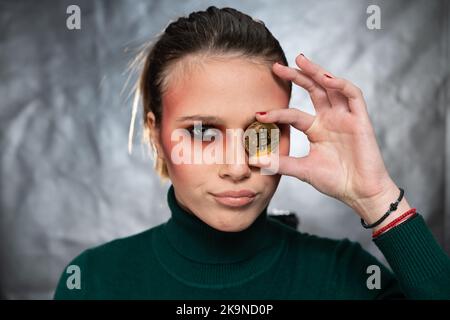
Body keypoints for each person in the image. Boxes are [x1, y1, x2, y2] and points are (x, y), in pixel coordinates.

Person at [54, 6, 450, 299]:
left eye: (261, 133)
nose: (237, 167)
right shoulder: (93, 280)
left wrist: (376, 197)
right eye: (202, 132)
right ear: (155, 133)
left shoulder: (346, 276)